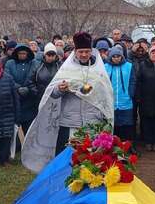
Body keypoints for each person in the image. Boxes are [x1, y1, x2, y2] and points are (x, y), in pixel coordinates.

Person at [21, 32, 114, 172]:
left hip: (93, 124)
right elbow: (51, 93)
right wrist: (60, 89)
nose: (84, 55)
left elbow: (106, 96)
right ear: (75, 52)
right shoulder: (66, 69)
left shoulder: (99, 72)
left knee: (92, 164)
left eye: (87, 51)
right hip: (69, 125)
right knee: (67, 165)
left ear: (91, 51)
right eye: (81, 51)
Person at [105, 45, 137, 142]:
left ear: (122, 56)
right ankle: (113, 148)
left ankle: (128, 146)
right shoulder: (105, 67)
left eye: (118, 56)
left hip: (126, 101)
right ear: (110, 57)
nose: (116, 59)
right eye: (114, 56)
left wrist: (130, 93)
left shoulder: (129, 66)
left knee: (127, 126)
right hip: (111, 101)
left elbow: (133, 80)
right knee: (113, 125)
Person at [5, 44, 38, 139]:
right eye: (20, 53)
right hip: (15, 98)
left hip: (30, 99)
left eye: (24, 53)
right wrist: (18, 87)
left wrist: (28, 88)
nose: (22, 55)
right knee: (15, 127)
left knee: (29, 128)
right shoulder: (10, 63)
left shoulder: (33, 63)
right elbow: (8, 77)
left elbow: (35, 77)